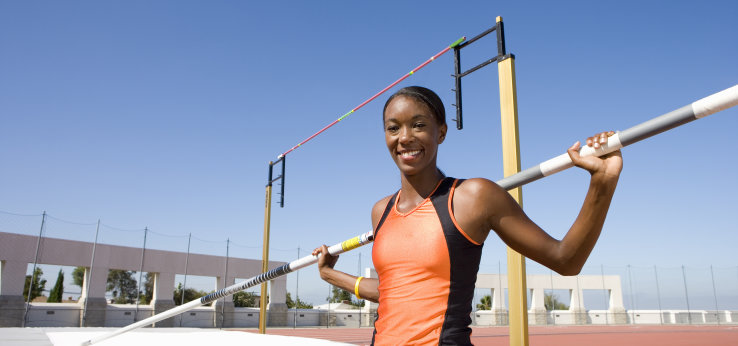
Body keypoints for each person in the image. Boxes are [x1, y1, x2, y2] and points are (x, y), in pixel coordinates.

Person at [312, 86, 622, 345]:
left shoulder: (473, 197)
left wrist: (602, 182)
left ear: (441, 132)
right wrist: (329, 274)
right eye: (393, 128)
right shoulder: (380, 211)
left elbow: (566, 259)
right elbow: (393, 291)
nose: (404, 137)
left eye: (418, 125)